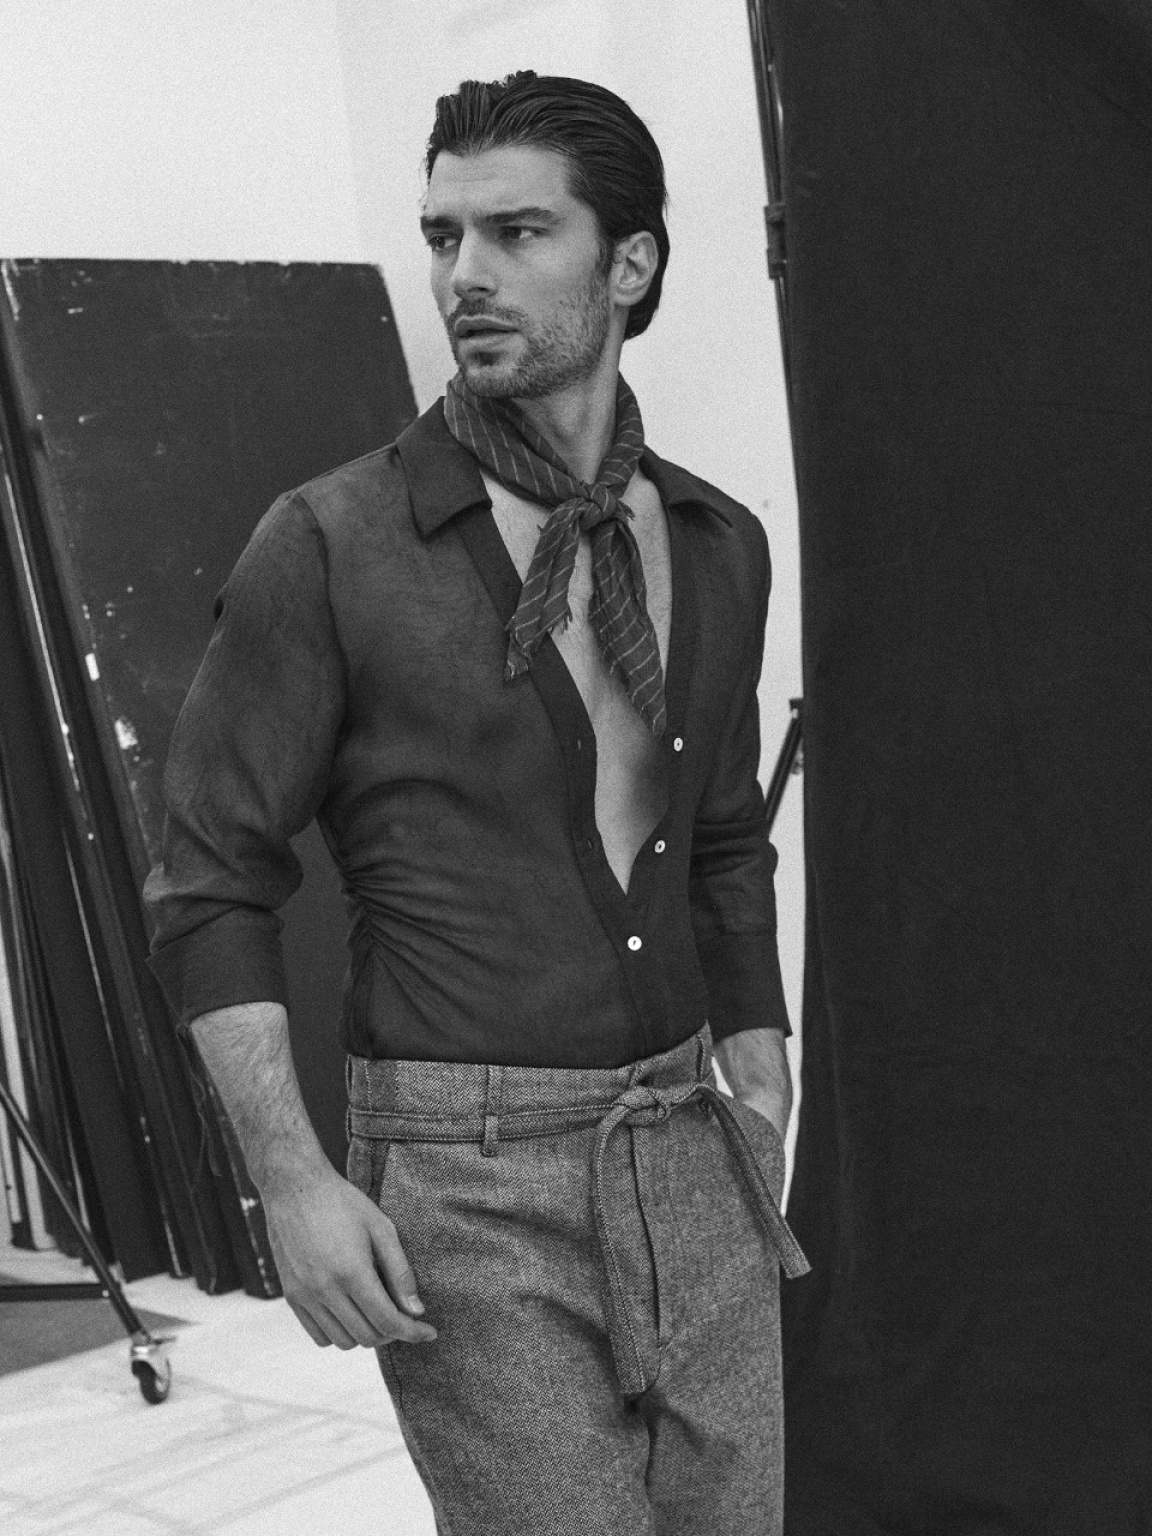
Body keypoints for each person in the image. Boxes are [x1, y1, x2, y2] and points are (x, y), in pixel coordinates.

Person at [144, 70, 808, 1536]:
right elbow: (209, 881)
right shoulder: (332, 544)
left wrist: (760, 1077)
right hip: (467, 1173)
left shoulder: (718, 541)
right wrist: (292, 1181)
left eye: (517, 232)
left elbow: (721, 838)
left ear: (629, 264)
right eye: (444, 237)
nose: (464, 277)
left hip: (689, 1136)